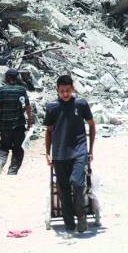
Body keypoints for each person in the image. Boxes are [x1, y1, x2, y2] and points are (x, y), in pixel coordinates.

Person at [44, 74, 96, 234]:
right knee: (63, 189)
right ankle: (69, 223)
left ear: (73, 88)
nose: (65, 94)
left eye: (68, 90)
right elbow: (49, 131)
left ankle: (81, 217)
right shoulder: (52, 107)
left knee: (78, 183)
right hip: (59, 153)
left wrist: (90, 150)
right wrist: (47, 153)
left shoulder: (81, 104)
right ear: (57, 91)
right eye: (62, 91)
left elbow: (92, 125)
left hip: (79, 151)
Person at [0, 68, 33, 175]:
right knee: (18, 150)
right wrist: (30, 121)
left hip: (4, 125)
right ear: (17, 78)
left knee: (4, 147)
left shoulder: (1, 90)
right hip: (18, 126)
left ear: (7, 77)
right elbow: (28, 107)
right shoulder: (21, 90)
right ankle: (12, 172)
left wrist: (4, 104)